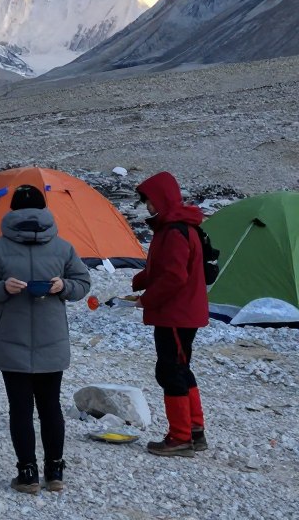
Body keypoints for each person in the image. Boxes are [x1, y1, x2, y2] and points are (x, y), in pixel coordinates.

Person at [0, 185, 91, 494]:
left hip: (11, 340)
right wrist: (64, 286)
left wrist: (1, 288)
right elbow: (83, 284)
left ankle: (28, 474)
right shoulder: (63, 247)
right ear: (44, 210)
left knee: (20, 409)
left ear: (11, 211)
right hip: (52, 339)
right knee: (51, 406)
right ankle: (55, 472)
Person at [131, 171, 209, 458]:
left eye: (150, 201)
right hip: (183, 311)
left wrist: (146, 300)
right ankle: (194, 431)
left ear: (162, 198)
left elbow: (174, 276)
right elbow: (165, 268)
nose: (148, 206)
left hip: (176, 313)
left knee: (170, 370)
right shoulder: (177, 226)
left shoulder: (174, 230)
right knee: (180, 367)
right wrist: (139, 282)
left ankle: (180, 437)